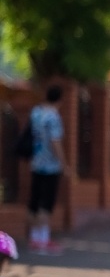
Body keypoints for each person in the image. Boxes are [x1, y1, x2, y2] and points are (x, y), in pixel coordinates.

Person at [26, 85, 66, 255]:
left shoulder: (36, 112)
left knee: (35, 200)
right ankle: (43, 238)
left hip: (35, 162)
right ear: (59, 99)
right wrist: (63, 163)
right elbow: (55, 141)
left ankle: (34, 237)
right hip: (50, 165)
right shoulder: (53, 116)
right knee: (46, 202)